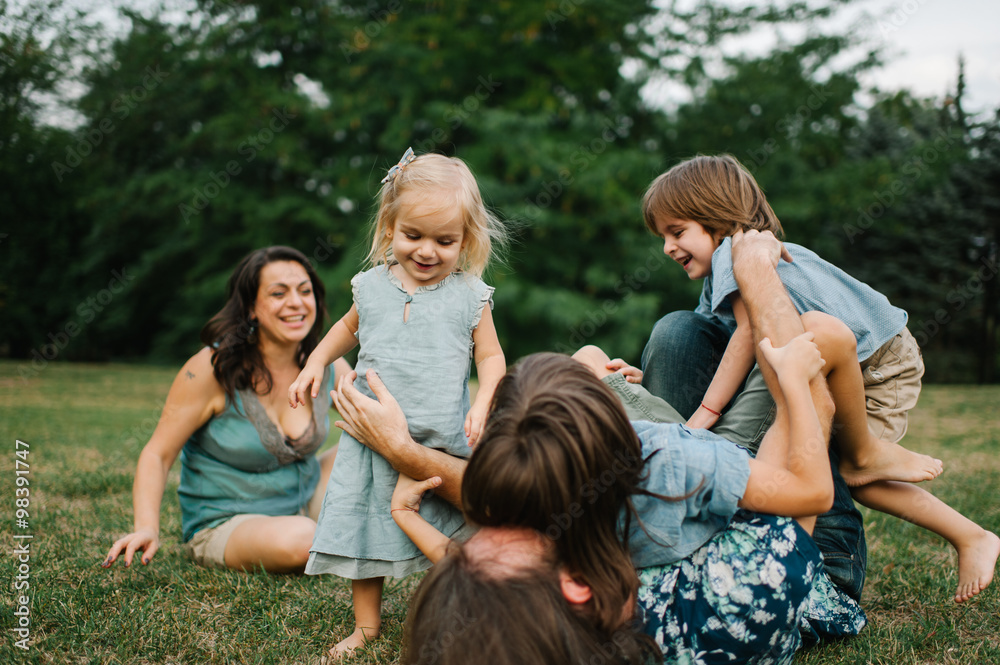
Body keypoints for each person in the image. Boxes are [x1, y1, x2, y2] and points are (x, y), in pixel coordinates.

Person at [335, 231, 867, 663]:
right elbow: (806, 474)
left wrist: (407, 476)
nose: (493, 524)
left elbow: (478, 558)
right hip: (803, 548)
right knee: (813, 339)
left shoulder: (544, 597)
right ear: (577, 587)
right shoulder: (737, 601)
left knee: (674, 334)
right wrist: (758, 282)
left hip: (666, 480)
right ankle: (868, 456)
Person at [638, 154, 999, 603]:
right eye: (664, 237)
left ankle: (970, 536)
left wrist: (707, 411)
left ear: (717, 218)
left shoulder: (738, 251)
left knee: (859, 472)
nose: (669, 248)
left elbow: (749, 335)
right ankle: (966, 534)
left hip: (876, 364)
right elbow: (717, 336)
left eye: (677, 232)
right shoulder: (727, 263)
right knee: (855, 472)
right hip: (867, 353)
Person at [288, 148, 507, 657]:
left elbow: (492, 357)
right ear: (390, 227)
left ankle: (461, 610)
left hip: (443, 442)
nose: (427, 251)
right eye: (413, 236)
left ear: (467, 240)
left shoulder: (470, 295)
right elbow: (345, 329)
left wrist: (485, 400)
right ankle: (367, 624)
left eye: (445, 241)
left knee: (458, 533)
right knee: (366, 528)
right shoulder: (370, 287)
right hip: (372, 439)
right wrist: (314, 363)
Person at [103, 246, 351, 574]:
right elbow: (158, 454)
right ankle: (335, 534)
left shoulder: (325, 365)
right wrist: (147, 527)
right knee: (303, 539)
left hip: (304, 505)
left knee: (366, 444)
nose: (296, 302)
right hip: (227, 523)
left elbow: (381, 420)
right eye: (279, 293)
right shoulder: (210, 368)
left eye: (305, 291)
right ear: (251, 308)